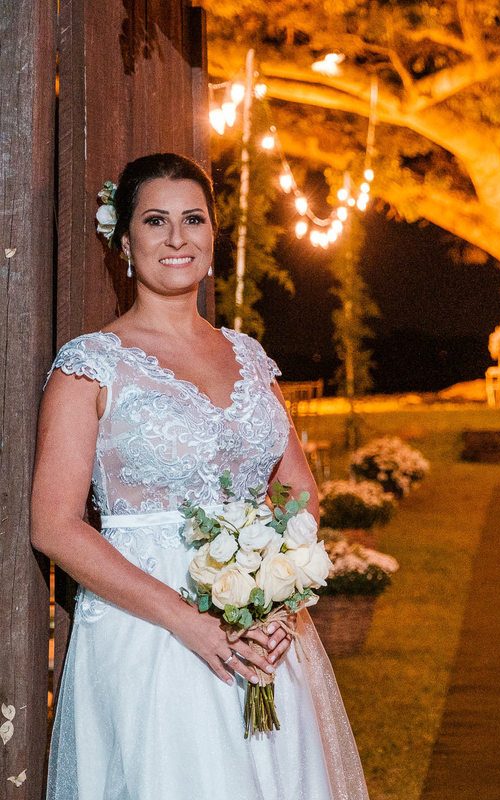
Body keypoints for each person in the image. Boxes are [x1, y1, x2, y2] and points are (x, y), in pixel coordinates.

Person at [31, 153, 369, 799]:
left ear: (213, 236)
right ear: (125, 242)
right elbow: (53, 525)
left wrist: (279, 599)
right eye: (156, 221)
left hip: (266, 636)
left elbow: (297, 491)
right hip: (151, 636)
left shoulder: (246, 355)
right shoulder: (90, 365)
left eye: (193, 219)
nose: (178, 237)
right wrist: (191, 623)